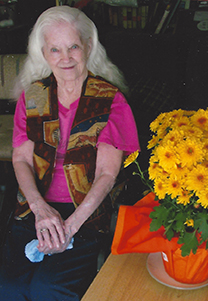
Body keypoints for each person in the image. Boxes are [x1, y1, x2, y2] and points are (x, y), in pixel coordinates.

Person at [0, 5, 140, 301]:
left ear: (88, 46)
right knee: (8, 288)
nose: (65, 58)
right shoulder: (33, 96)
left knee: (49, 289)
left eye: (73, 47)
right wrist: (40, 209)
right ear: (43, 53)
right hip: (34, 210)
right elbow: (22, 158)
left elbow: (107, 173)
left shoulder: (110, 100)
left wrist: (69, 227)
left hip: (85, 215)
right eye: (55, 49)